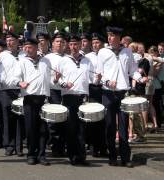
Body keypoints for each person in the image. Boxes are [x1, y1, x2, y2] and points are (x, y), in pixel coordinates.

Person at [98, 26, 144, 168]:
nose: (109, 38)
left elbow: (133, 71)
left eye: (112, 35)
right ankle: (112, 156)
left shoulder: (127, 51)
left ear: (119, 37)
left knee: (123, 126)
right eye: (108, 35)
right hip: (108, 93)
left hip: (123, 93)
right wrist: (107, 81)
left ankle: (125, 157)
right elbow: (99, 74)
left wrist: (141, 78)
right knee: (110, 125)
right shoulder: (103, 52)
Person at [12, 38, 55, 166]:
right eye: (25, 47)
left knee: (43, 129)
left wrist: (56, 79)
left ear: (36, 48)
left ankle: (42, 155)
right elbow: (15, 78)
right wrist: (20, 82)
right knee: (30, 128)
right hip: (29, 99)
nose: (26, 49)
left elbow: (51, 80)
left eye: (29, 47)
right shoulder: (22, 62)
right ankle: (31, 154)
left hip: (43, 99)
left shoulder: (46, 61)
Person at [58, 34, 95, 166]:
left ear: (80, 45)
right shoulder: (63, 60)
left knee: (82, 128)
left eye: (76, 44)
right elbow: (56, 79)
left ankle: (82, 156)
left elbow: (93, 79)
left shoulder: (87, 61)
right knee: (71, 128)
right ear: (68, 45)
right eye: (71, 44)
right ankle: (73, 155)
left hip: (83, 97)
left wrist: (98, 78)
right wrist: (63, 84)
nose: (73, 47)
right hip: (69, 97)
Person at [0, 36, 23, 156]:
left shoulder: (23, 54)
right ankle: (9, 145)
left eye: (12, 40)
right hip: (6, 90)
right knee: (8, 118)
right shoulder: (2, 55)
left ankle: (19, 146)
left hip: (21, 90)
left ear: (17, 41)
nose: (9, 42)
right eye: (7, 40)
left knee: (20, 118)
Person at [85, 32, 107, 157]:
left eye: (97, 42)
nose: (94, 45)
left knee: (105, 120)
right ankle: (93, 147)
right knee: (94, 119)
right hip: (93, 89)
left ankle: (104, 147)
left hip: (105, 89)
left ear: (102, 44)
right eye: (93, 43)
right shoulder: (88, 57)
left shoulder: (107, 55)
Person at [44, 32, 67, 157]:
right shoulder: (48, 58)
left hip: (67, 92)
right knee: (55, 120)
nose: (60, 44)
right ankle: (55, 146)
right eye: (57, 41)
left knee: (65, 120)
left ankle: (63, 145)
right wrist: (55, 80)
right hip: (54, 91)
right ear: (52, 44)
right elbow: (45, 77)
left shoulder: (68, 58)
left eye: (62, 42)